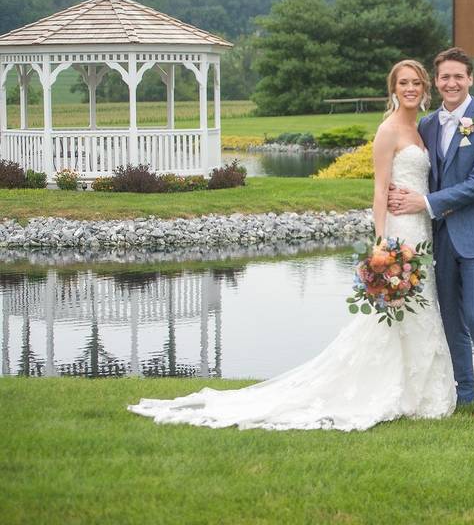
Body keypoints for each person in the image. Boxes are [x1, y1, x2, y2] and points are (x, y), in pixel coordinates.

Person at [127, 60, 456, 431]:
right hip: (398, 231)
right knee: (393, 311)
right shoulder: (388, 130)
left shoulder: (419, 128)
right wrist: (380, 243)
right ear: (393, 89)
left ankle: (419, 389)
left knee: (419, 307)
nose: (410, 88)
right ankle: (395, 389)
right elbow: (379, 189)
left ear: (424, 87)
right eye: (403, 83)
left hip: (422, 229)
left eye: (415, 82)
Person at [387, 48, 474, 416]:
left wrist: (423, 203)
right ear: (436, 82)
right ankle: (464, 392)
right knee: (451, 320)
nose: (451, 83)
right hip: (440, 238)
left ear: (470, 79)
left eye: (458, 76)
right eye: (444, 77)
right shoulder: (427, 125)